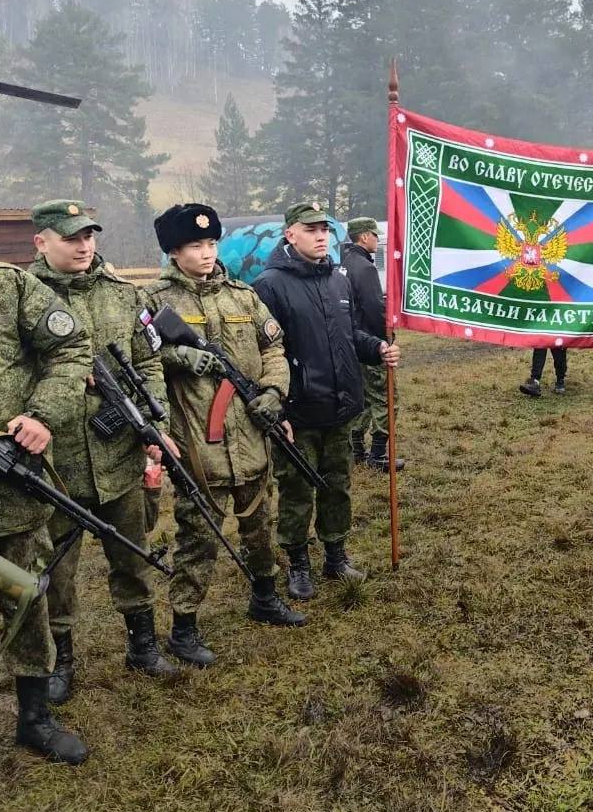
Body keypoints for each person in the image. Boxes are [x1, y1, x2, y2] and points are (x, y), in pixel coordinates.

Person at [144, 203, 305, 668]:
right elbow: (140, 359)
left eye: (211, 243)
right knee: (199, 535)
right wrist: (181, 358)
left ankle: (265, 596)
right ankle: (184, 626)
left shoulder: (243, 296)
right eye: (195, 245)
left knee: (260, 523)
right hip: (198, 440)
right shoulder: (155, 301)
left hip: (250, 432)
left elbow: (273, 346)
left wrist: (274, 392)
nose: (207, 252)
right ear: (174, 252)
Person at [29, 199, 178, 701]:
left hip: (120, 456)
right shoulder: (23, 297)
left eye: (89, 235)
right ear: (41, 242)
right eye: (71, 237)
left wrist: (155, 424)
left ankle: (143, 645)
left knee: (132, 555)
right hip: (56, 464)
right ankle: (59, 661)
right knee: (58, 569)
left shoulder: (123, 295)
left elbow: (150, 362)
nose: (84, 245)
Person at [0, 196, 90, 764]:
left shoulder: (7, 286)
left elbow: (72, 348)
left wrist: (42, 415)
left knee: (26, 596)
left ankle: (34, 718)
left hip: (10, 482)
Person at [253, 202, 401, 600]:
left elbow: (350, 334)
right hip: (298, 412)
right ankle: (298, 563)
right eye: (311, 229)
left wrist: (377, 349)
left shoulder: (338, 279)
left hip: (342, 406)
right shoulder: (269, 285)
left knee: (338, 484)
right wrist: (278, 408)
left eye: (325, 229)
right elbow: (264, 354)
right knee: (297, 489)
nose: (321, 236)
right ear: (290, 234)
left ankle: (336, 554)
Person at [341, 217, 404, 472]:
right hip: (370, 343)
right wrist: (386, 341)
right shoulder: (365, 268)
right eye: (374, 235)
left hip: (352, 341)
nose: (377, 240)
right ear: (364, 236)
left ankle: (356, 447)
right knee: (387, 398)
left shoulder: (344, 264)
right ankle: (378, 454)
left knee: (364, 397)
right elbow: (374, 307)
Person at [519, 346, 593, 396]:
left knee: (559, 350)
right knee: (540, 346)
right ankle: (535, 380)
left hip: (560, 313)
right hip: (545, 313)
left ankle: (560, 380)